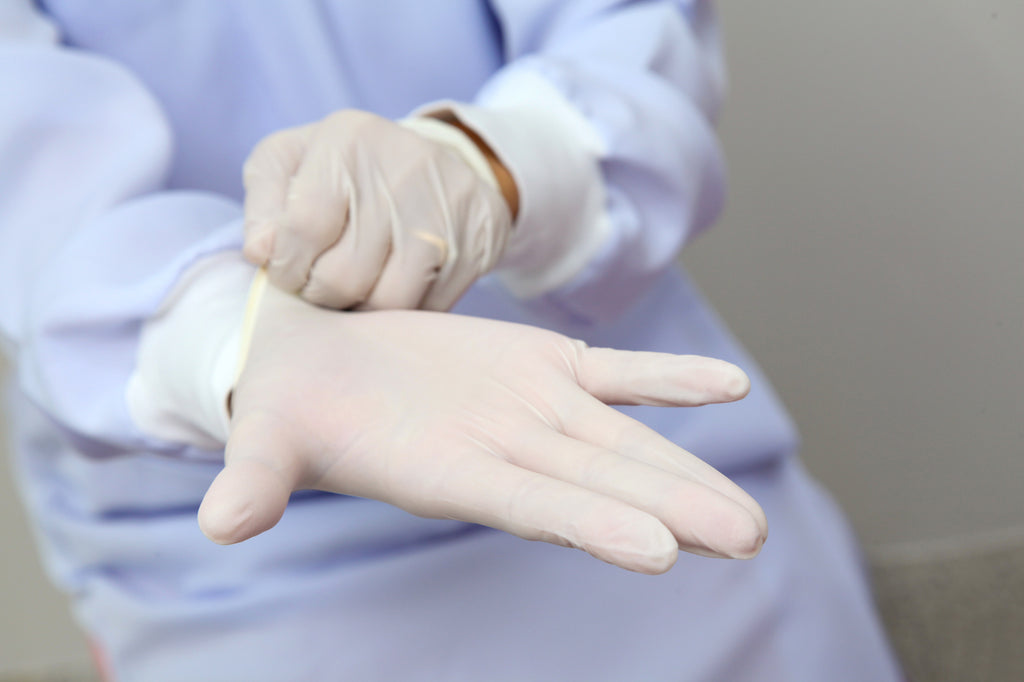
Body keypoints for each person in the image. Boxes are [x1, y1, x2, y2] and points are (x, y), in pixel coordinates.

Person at [0, 1, 902, 680]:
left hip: (618, 433)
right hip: (232, 548)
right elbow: (31, 199)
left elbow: (630, 37)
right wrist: (231, 338)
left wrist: (495, 164)